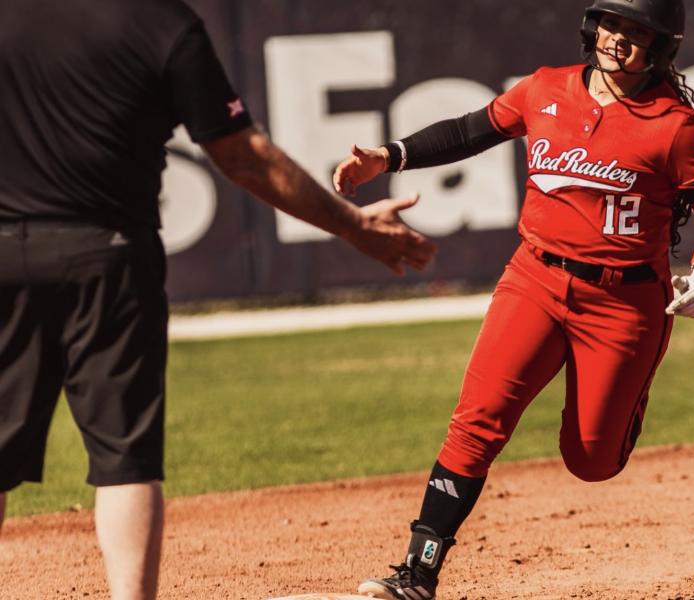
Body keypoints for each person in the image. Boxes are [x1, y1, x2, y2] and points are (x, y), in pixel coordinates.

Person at [332, 0, 694, 597]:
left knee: (591, 461)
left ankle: (626, 402)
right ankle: (418, 571)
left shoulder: (675, 125)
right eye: (614, 24)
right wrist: (389, 156)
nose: (620, 40)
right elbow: (468, 130)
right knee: (477, 422)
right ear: (594, 26)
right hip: (533, 280)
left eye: (638, 31)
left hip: (624, 303)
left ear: (662, 47)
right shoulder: (544, 89)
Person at [0, 1, 435, 599]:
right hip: (109, 254)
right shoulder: (159, 20)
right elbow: (243, 157)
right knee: (125, 458)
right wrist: (354, 228)